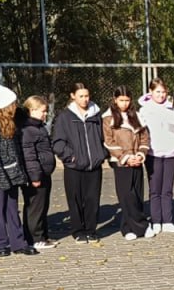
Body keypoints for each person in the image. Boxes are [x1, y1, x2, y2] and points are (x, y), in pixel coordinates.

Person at [0, 85, 36, 257]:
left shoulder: (10, 122)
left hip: (12, 173)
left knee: (12, 209)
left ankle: (18, 242)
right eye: (12, 104)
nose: (15, 107)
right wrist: (1, 178)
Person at [52, 82, 107, 242]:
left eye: (87, 96)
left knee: (92, 199)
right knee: (75, 199)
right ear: (73, 96)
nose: (85, 99)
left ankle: (91, 230)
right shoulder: (65, 117)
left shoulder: (96, 115)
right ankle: (78, 231)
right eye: (81, 96)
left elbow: (104, 137)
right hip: (74, 166)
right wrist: (71, 157)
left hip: (94, 165)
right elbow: (58, 142)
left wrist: (101, 154)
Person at [103, 87, 151, 241]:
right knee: (126, 196)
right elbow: (108, 141)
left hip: (137, 160)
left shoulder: (137, 116)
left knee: (137, 194)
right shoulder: (108, 118)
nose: (124, 103)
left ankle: (130, 227)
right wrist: (125, 157)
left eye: (127, 100)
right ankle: (140, 226)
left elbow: (144, 138)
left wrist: (140, 154)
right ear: (115, 100)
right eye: (121, 100)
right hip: (121, 162)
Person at [139, 78, 174, 235]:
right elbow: (142, 132)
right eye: (157, 91)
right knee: (155, 189)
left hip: (170, 154)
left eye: (163, 92)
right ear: (151, 92)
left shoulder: (172, 110)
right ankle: (156, 221)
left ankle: (168, 221)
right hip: (153, 154)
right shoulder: (145, 110)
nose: (161, 95)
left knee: (167, 189)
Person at [18, 95, 56, 249]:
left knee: (43, 206)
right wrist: (34, 176)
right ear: (32, 110)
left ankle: (43, 235)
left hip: (44, 173)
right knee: (35, 207)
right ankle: (35, 237)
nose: (45, 114)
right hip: (36, 175)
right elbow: (29, 156)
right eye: (42, 111)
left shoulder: (39, 127)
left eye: (46, 111)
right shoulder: (28, 130)